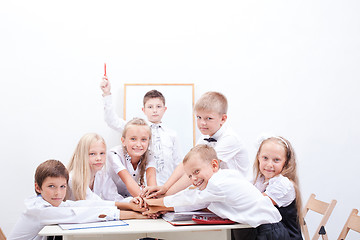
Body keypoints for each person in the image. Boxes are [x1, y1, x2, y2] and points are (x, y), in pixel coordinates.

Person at [143, 145, 290, 240]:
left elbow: (190, 198)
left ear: (214, 165)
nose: (193, 179)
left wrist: (151, 203)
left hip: (268, 232)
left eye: (196, 172)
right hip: (261, 229)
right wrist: (158, 206)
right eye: (189, 176)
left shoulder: (217, 184)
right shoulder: (223, 177)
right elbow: (195, 201)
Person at [142, 91, 250, 198]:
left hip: (236, 194)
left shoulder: (229, 139)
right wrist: (164, 188)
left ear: (223, 119)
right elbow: (186, 164)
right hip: (217, 191)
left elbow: (198, 169)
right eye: (199, 117)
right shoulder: (204, 137)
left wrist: (165, 197)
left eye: (209, 118)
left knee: (177, 203)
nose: (202, 123)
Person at [8, 160, 147, 240]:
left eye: (62, 186)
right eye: (51, 186)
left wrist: (127, 204)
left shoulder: (48, 203)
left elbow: (82, 205)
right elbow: (79, 214)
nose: (58, 192)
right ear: (38, 187)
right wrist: (136, 215)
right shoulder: (39, 210)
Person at [100, 76, 183, 186]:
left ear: (164, 109)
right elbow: (112, 121)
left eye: (158, 106)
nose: (154, 110)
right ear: (143, 110)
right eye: (150, 107)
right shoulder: (134, 128)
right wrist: (107, 94)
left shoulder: (172, 135)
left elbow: (179, 163)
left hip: (167, 187)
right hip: (141, 188)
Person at [253, 136, 303, 239]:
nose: (269, 164)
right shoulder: (261, 180)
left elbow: (255, 203)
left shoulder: (283, 185)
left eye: (276, 160)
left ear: (286, 163)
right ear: (258, 157)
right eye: (265, 158)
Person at [67, 133, 128, 202]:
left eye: (102, 153)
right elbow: (95, 203)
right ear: (82, 155)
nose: (99, 158)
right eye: (92, 154)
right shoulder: (74, 177)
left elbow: (114, 197)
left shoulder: (102, 175)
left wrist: (132, 201)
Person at [107, 118, 157, 198]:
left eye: (143, 139)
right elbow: (127, 180)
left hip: (135, 197)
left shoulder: (150, 155)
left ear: (149, 142)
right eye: (133, 139)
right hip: (114, 199)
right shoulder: (114, 154)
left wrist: (153, 197)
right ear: (123, 141)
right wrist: (146, 200)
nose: (138, 144)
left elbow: (151, 180)